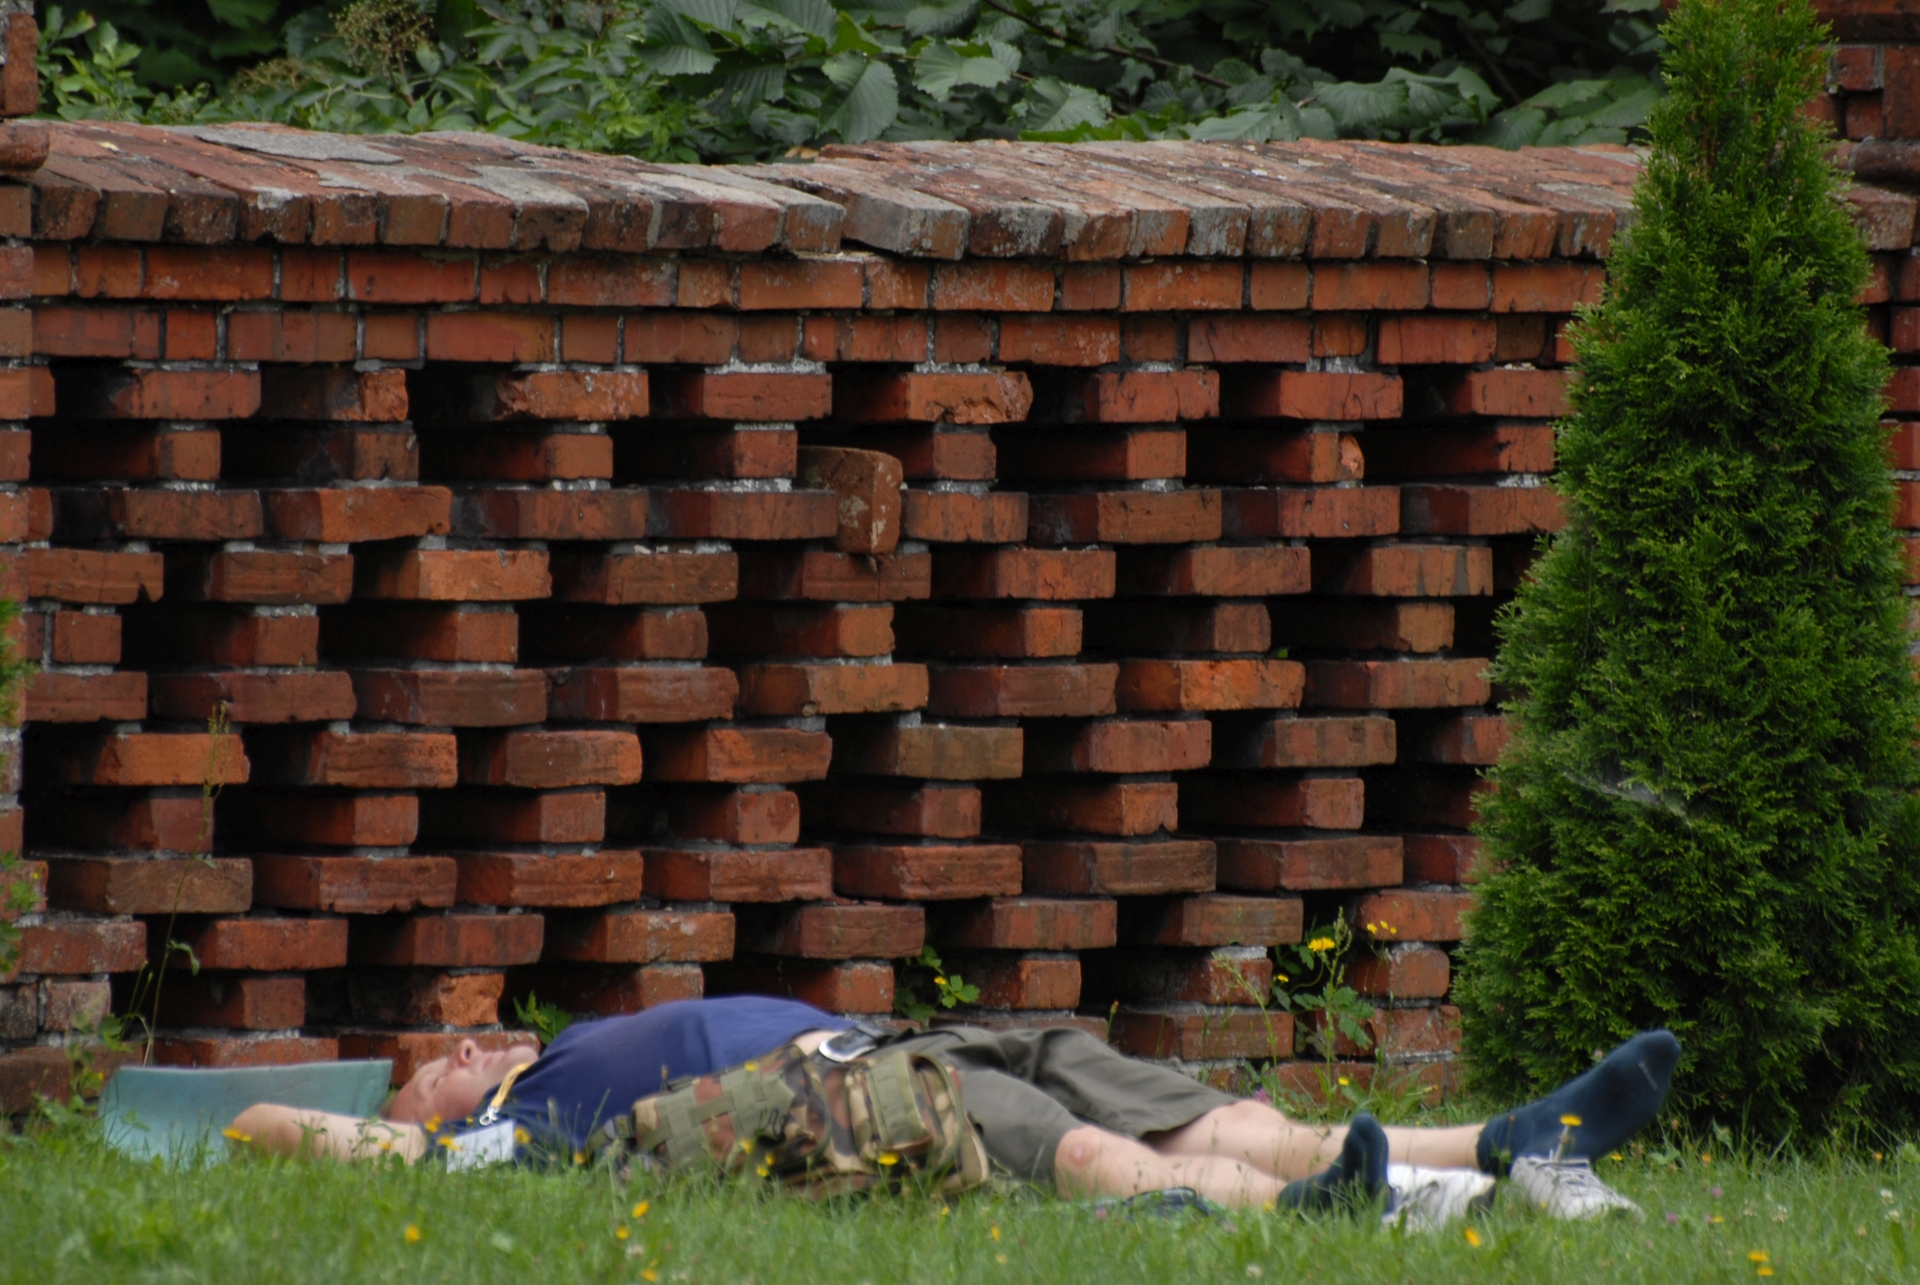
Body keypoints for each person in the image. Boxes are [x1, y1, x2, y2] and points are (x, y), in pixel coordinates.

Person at [229, 996, 1678, 1220]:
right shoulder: (501, 1140)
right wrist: (410, 1124)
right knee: (1082, 1153)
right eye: (430, 1059)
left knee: (1195, 1105)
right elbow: (264, 1132)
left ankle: (1503, 1142)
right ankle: (1306, 1213)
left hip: (899, 1037)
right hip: (847, 1096)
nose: (458, 1046)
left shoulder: (556, 1050)